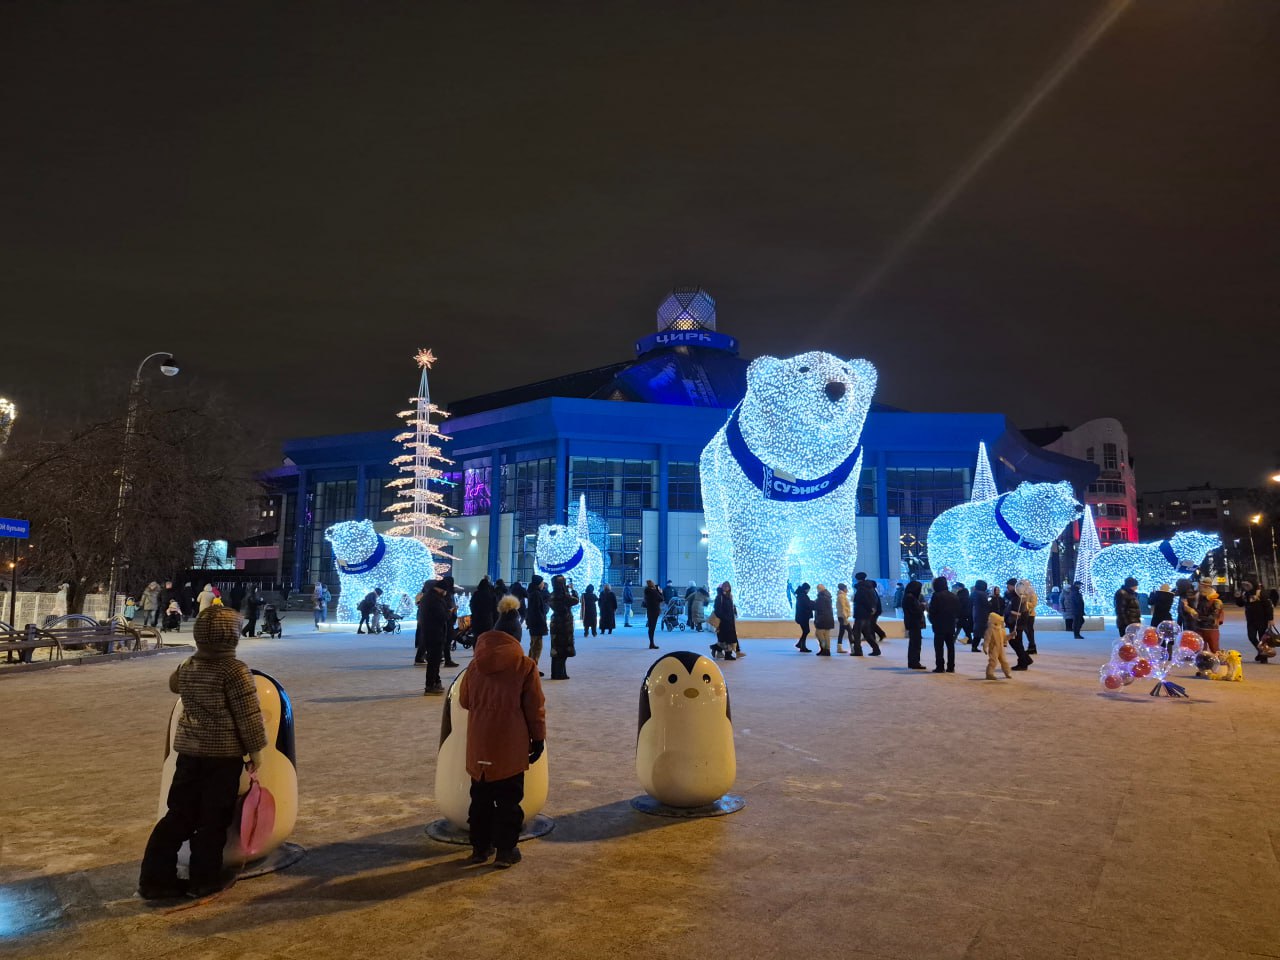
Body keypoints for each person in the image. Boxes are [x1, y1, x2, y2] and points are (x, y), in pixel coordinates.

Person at [138, 604, 267, 900]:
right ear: (232, 637)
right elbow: (248, 716)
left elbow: (174, 685)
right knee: (213, 819)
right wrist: (255, 751)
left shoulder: (190, 666)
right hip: (222, 758)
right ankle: (204, 878)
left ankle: (155, 878)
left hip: (189, 754)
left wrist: (192, 662)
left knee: (179, 814)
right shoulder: (234, 671)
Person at [459, 595, 546, 868]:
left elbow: (464, 701)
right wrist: (538, 739)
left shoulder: (475, 665)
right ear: (516, 637)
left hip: (480, 744)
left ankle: (479, 848)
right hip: (509, 745)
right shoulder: (524, 665)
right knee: (509, 801)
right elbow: (535, 708)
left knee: (480, 800)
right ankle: (506, 851)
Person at [420, 576, 455, 695]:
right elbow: (442, 616)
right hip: (435, 633)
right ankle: (430, 686)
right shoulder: (435, 600)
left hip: (430, 632)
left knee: (434, 660)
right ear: (441, 589)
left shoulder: (427, 597)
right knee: (434, 661)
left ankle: (435, 682)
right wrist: (449, 612)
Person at [548, 575, 578, 680]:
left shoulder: (552, 595)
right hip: (564, 624)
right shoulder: (564, 596)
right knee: (563, 650)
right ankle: (560, 673)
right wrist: (573, 590)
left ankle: (556, 673)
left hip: (555, 622)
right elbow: (576, 600)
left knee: (556, 649)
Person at [927, 576, 959, 673]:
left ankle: (940, 666)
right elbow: (957, 611)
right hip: (950, 625)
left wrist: (933, 620)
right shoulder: (954, 596)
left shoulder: (936, 595)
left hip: (939, 625)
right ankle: (951, 667)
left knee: (939, 647)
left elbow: (932, 611)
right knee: (950, 647)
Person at [851, 573, 882, 656]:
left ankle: (858, 651)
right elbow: (874, 600)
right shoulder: (870, 588)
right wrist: (872, 609)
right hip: (867, 614)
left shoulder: (861, 588)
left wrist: (869, 608)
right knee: (867, 633)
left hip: (861, 613)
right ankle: (876, 649)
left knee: (856, 633)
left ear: (857, 579)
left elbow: (863, 601)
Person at [1244, 584, 1274, 663]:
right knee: (1251, 637)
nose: (1245, 587)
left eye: (1247, 585)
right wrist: (1237, 597)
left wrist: (1270, 619)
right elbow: (1241, 603)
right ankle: (1262, 652)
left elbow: (1268, 606)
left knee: (1262, 639)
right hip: (1251, 620)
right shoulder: (1246, 594)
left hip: (1262, 620)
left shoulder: (1261, 593)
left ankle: (1264, 659)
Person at [524, 575, 548, 675]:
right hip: (537, 624)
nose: (543, 584)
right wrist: (543, 624)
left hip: (534, 623)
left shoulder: (533, 593)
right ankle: (532, 669)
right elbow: (537, 612)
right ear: (539, 583)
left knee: (534, 646)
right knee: (537, 647)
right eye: (542, 582)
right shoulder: (536, 594)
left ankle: (530, 667)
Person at [901, 580, 926, 669]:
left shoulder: (908, 596)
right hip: (914, 623)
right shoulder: (910, 598)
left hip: (912, 622)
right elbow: (916, 611)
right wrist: (922, 606)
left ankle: (913, 662)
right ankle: (914, 662)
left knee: (914, 643)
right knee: (916, 643)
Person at [1194, 578, 1223, 653]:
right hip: (1199, 627)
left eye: (1205, 587)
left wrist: (1199, 617)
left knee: (1214, 649)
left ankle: (1220, 662)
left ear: (1210, 587)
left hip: (1211, 628)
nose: (1203, 588)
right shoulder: (1198, 597)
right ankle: (1203, 662)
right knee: (1200, 649)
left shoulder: (1215, 601)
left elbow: (1215, 616)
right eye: (1202, 586)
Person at [711, 582, 738, 660]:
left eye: (728, 586)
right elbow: (717, 609)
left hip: (730, 621)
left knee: (728, 638)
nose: (726, 588)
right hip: (724, 621)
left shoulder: (729, 596)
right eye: (725, 586)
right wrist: (724, 617)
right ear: (722, 587)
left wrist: (734, 612)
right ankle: (727, 654)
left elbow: (731, 607)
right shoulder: (720, 597)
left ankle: (717, 648)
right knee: (726, 638)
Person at [982, 611, 1013, 680]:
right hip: (993, 648)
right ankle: (989, 674)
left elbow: (1005, 638)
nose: (1002, 623)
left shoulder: (1001, 630)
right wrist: (985, 647)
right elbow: (987, 639)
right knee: (993, 661)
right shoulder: (990, 630)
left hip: (1001, 648)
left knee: (1004, 661)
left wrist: (1011, 635)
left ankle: (1007, 672)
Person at [1014, 579, 1038, 656]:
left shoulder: (1032, 593)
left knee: (1029, 631)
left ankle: (1032, 647)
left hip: (1030, 615)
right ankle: (1030, 646)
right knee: (1025, 630)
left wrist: (1025, 603)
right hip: (1023, 614)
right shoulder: (1020, 593)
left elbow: (1033, 603)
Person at [812, 584, 835, 656]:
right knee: (826, 635)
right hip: (829, 618)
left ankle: (824, 648)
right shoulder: (828, 597)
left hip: (822, 619)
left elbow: (818, 608)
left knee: (819, 634)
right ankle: (827, 650)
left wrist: (813, 603)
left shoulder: (821, 598)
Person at [969, 580, 990, 653]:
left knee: (977, 631)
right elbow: (987, 604)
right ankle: (975, 646)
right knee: (982, 631)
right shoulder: (982, 594)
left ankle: (974, 646)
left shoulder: (974, 593)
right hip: (983, 614)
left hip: (976, 614)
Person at [793, 583, 814, 653]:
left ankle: (801, 645)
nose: (808, 591)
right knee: (806, 631)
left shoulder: (801, 595)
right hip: (803, 617)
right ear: (806, 589)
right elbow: (806, 605)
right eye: (808, 589)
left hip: (802, 616)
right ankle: (801, 645)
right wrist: (813, 604)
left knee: (806, 631)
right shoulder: (802, 596)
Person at [643, 579, 663, 649]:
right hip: (655, 611)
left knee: (650, 627)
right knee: (652, 628)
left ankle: (651, 643)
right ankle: (652, 644)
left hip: (649, 611)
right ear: (652, 584)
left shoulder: (646, 591)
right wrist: (660, 592)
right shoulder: (654, 592)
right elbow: (661, 599)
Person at [835, 583, 852, 653]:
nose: (847, 590)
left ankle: (839, 647)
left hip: (842, 616)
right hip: (843, 617)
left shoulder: (842, 596)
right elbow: (843, 607)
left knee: (842, 632)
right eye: (846, 588)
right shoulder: (841, 596)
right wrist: (845, 617)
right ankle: (853, 647)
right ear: (843, 589)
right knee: (850, 631)